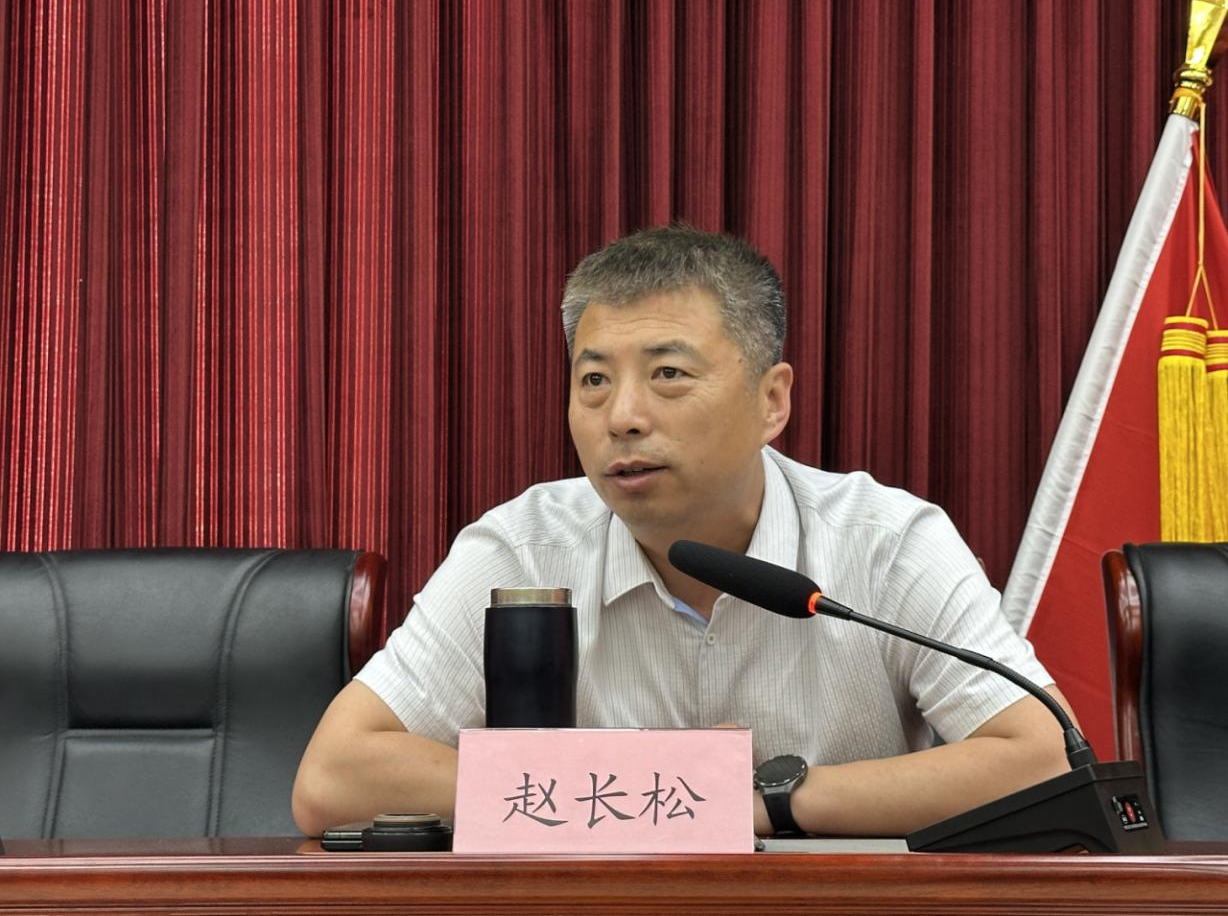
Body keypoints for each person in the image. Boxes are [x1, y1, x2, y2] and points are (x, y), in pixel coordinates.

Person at [292, 226, 1072, 838]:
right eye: (593, 380)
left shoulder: (888, 541)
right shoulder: (521, 549)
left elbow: (1045, 761)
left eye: (668, 374)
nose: (623, 416)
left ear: (772, 400)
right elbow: (334, 777)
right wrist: (658, 781)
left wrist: (764, 797)